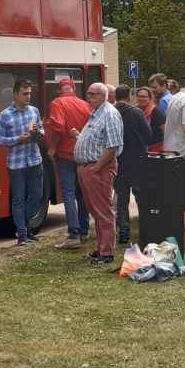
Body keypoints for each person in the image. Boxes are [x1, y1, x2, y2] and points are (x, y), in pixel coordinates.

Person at [71, 82, 124, 264]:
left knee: (103, 211)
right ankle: (101, 248)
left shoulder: (109, 114)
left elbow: (112, 145)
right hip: (88, 167)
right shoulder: (96, 113)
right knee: (96, 210)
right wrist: (79, 137)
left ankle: (107, 252)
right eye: (87, 94)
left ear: (104, 96)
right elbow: (97, 141)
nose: (89, 97)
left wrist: (97, 167)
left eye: (93, 94)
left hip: (98, 169)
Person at [0, 79, 44, 247]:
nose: (28, 96)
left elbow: (42, 132)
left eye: (30, 93)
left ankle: (26, 227)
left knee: (36, 196)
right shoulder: (5, 115)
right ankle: (23, 233)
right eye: (25, 94)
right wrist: (18, 139)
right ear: (16, 95)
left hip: (35, 160)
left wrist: (38, 133)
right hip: (16, 164)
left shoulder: (34, 111)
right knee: (17, 200)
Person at [45, 77, 92, 249]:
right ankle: (84, 231)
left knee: (69, 193)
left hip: (65, 155)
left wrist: (53, 147)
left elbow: (58, 127)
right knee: (82, 194)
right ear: (74, 90)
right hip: (82, 155)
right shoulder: (85, 104)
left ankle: (73, 235)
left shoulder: (57, 103)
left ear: (60, 90)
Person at [113, 85, 153, 245]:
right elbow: (148, 136)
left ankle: (124, 233)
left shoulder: (111, 112)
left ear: (115, 96)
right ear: (130, 97)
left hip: (118, 161)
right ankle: (145, 230)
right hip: (137, 161)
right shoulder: (136, 113)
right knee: (141, 198)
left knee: (121, 199)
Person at [135, 86, 166, 152]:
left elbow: (164, 130)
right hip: (139, 148)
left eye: (144, 97)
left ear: (150, 98)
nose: (141, 99)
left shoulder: (155, 111)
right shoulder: (134, 112)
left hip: (155, 150)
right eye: (139, 96)